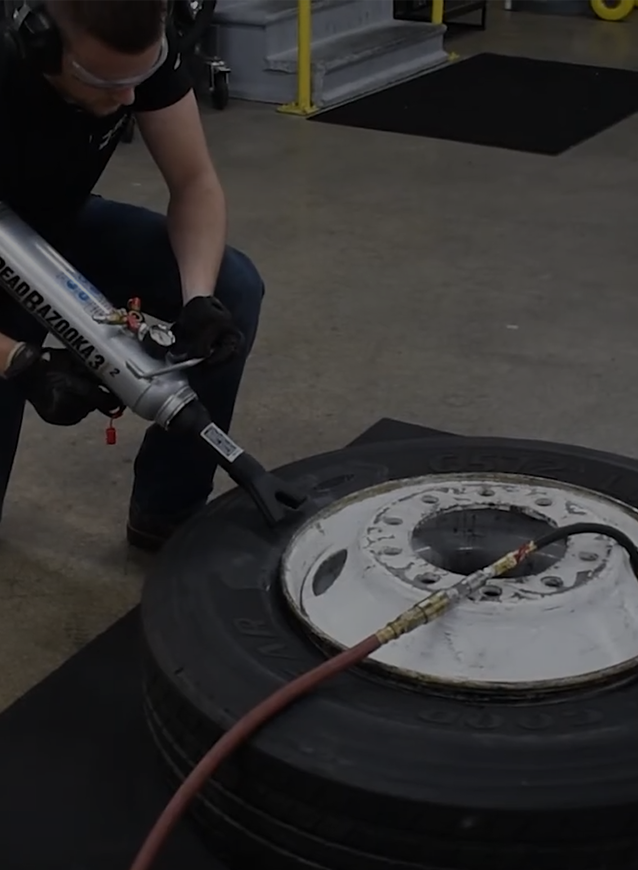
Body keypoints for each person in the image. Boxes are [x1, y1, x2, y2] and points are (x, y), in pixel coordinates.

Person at [0, 0, 265, 551]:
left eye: (138, 79)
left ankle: (167, 512)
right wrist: (19, 362)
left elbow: (194, 182)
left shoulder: (138, 51)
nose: (127, 99)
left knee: (232, 285)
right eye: (104, 81)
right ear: (41, 42)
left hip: (55, 222)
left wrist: (198, 299)